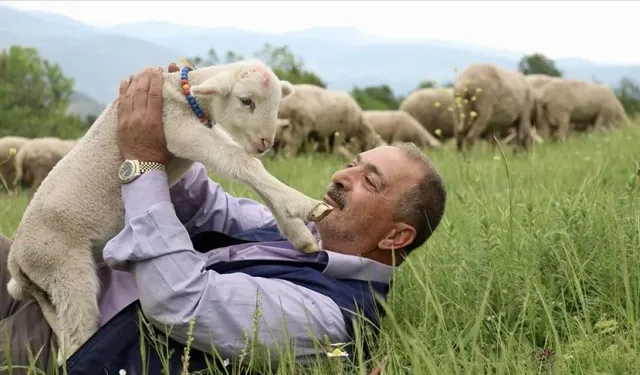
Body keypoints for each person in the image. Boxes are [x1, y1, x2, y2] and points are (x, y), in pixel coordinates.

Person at [0, 64, 447, 374]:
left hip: (72, 337)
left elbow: (181, 302)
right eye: (352, 162)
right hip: (75, 264)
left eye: (369, 180)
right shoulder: (303, 234)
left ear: (395, 236)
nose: (342, 175)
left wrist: (143, 163)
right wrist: (181, 123)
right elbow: (207, 207)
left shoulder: (325, 315)